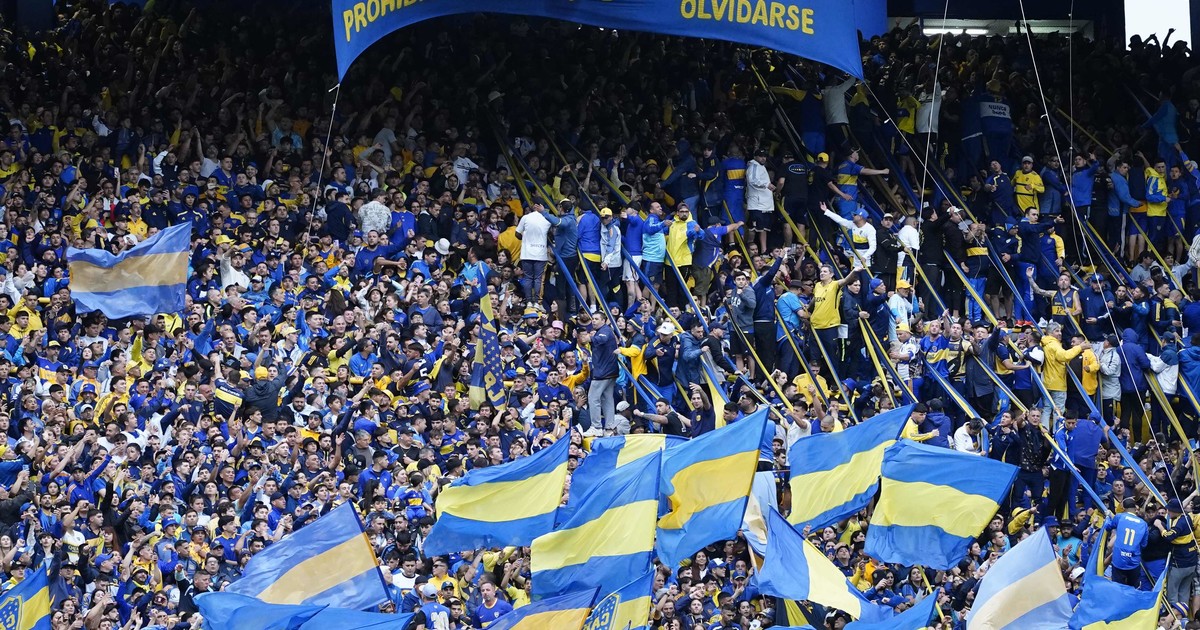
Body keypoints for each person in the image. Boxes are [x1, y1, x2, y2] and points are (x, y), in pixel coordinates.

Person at [1104, 500, 1150, 588]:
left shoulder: (1120, 517)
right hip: (1134, 560)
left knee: (1117, 588)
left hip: (1119, 559)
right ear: (1135, 508)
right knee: (1133, 589)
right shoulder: (1144, 524)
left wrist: (1108, 517)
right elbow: (1144, 544)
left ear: (1123, 508)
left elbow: (1108, 527)